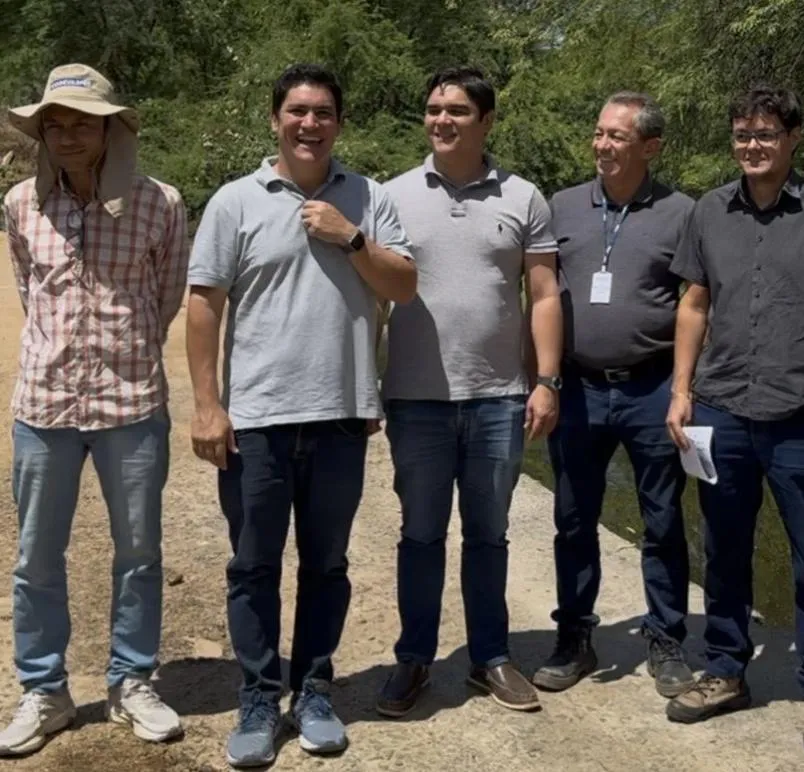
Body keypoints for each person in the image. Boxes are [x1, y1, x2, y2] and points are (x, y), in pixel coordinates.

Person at [185, 63, 415, 768]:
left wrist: (349, 237)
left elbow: (403, 285)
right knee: (254, 565)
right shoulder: (235, 201)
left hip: (342, 417)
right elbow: (204, 304)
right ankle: (259, 695)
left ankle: (313, 688)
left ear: (339, 124)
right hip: (256, 420)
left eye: (322, 113)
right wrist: (206, 405)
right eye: (297, 111)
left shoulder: (368, 198)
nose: (309, 123)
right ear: (274, 119)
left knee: (327, 563)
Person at [666, 84, 804, 762]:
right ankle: (725, 670)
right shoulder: (708, 211)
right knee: (724, 548)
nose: (752, 145)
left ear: (793, 139)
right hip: (722, 408)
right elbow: (694, 303)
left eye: (765, 134)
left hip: (803, 414)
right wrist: (680, 390)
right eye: (743, 134)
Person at [0, 64, 188, 756]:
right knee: (36, 557)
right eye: (55, 122)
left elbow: (165, 297)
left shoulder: (159, 203)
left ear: (110, 128)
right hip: (44, 407)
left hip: (131, 403)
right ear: (43, 132)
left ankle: (131, 680)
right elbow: (30, 289)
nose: (68, 134)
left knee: (138, 553)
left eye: (83, 121)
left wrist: (120, 348)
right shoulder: (23, 203)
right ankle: (44, 690)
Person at [374, 66, 561, 717]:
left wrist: (547, 381)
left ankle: (490, 657)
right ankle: (415, 659)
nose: (441, 120)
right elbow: (371, 298)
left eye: (456, 110)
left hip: (499, 400)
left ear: (486, 120)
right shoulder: (389, 196)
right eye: (433, 109)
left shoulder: (525, 198)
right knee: (420, 535)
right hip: (415, 400)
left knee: (489, 535)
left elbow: (543, 294)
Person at [530, 92, 697, 700]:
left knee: (662, 519)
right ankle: (574, 635)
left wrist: (684, 387)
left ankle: (666, 637)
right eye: (598, 133)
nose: (602, 145)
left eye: (617, 137)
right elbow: (539, 296)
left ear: (649, 147)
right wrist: (541, 381)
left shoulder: (683, 212)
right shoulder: (562, 206)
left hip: (651, 388)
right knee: (573, 518)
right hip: (576, 388)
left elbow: (696, 305)